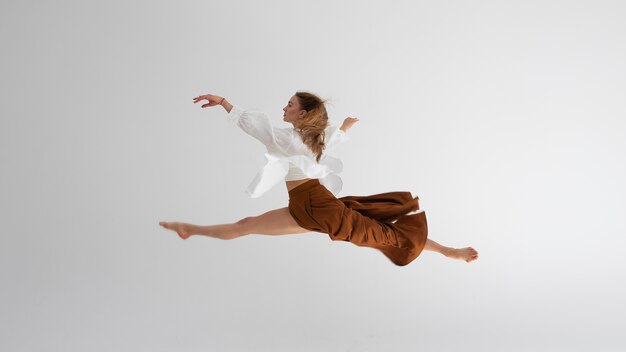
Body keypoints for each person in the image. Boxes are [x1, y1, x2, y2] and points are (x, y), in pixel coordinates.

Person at [159, 92, 479, 265]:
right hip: (308, 206)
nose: (283, 107)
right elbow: (331, 138)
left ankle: (449, 251)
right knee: (246, 225)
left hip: (317, 206)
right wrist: (344, 128)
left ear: (301, 113)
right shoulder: (310, 137)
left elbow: (255, 126)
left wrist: (225, 103)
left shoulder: (292, 138)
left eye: (290, 105)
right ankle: (190, 230)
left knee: (386, 233)